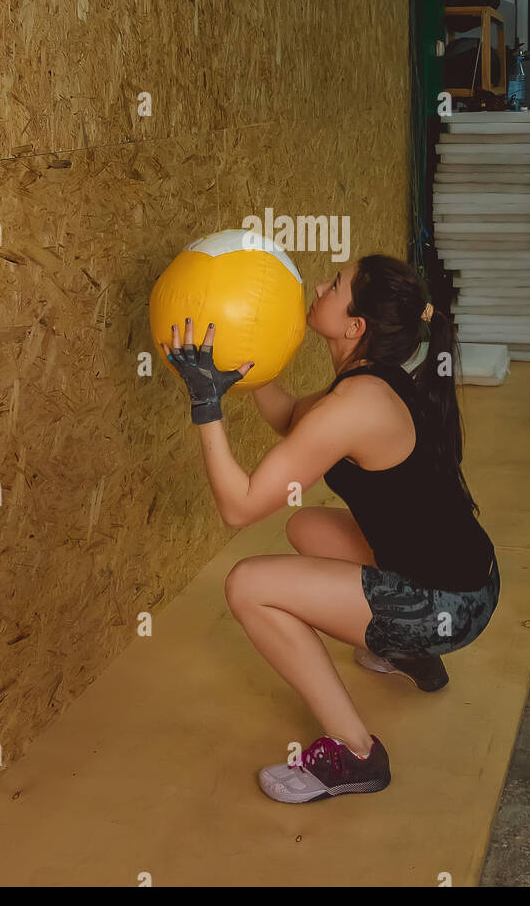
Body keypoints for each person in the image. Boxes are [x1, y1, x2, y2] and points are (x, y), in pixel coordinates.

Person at [162, 253, 500, 805]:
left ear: (354, 326)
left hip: (451, 606)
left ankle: (355, 754)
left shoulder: (356, 403)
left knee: (248, 585)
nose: (319, 285)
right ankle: (408, 654)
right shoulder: (368, 379)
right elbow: (293, 418)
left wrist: (206, 404)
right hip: (469, 579)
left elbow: (239, 509)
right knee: (308, 527)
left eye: (335, 284)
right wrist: (246, 370)